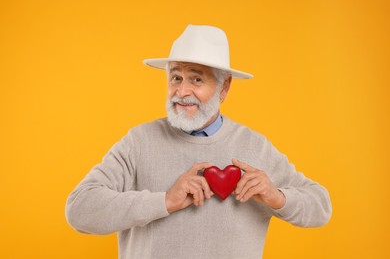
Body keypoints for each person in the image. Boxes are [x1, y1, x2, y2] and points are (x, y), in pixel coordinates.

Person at [66, 24, 332, 259]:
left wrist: (278, 196)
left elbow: (320, 207)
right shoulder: (138, 142)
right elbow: (79, 209)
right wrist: (165, 201)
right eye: (176, 78)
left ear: (224, 88)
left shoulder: (256, 147)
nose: (182, 92)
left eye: (196, 79)